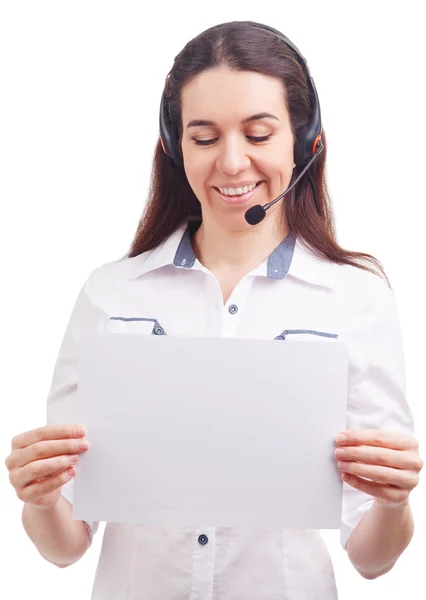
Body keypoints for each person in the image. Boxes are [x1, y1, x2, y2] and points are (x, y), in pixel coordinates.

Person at [5, 20, 423, 600]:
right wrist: (41, 498)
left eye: (258, 134)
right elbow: (63, 547)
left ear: (304, 143)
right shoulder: (111, 293)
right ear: (174, 148)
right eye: (204, 138)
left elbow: (372, 561)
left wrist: (394, 501)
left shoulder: (357, 299)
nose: (231, 163)